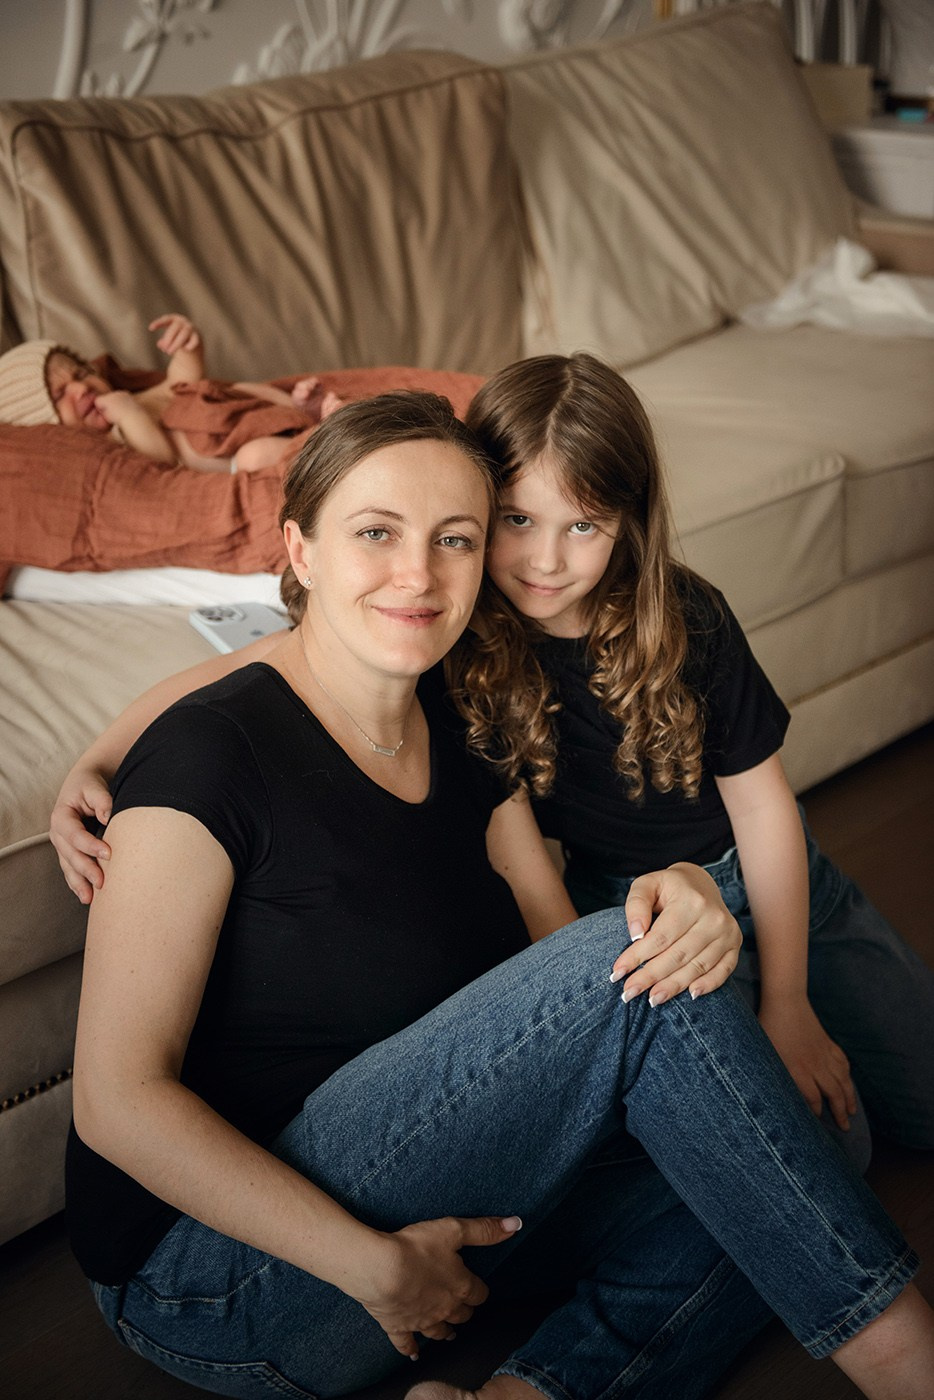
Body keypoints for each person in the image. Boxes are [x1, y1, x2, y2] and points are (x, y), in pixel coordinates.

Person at [54, 391, 934, 1400]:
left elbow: (586, 998)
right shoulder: (209, 758)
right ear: (299, 551)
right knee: (669, 1030)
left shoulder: (465, 713)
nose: (418, 573)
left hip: (434, 1197)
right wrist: (367, 1263)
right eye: (375, 532)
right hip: (224, 1278)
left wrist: (684, 894)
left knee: (792, 1148)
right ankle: (909, 1365)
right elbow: (115, 1103)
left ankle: (534, 1392)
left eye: (456, 538)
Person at [444, 350, 934, 1161]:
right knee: (841, 1151)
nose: (545, 561)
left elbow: (763, 805)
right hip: (636, 914)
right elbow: (528, 869)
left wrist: (789, 1001)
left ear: (625, 522)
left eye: (582, 527)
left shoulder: (686, 615)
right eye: (516, 519)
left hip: (775, 878)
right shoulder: (469, 657)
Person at [0, 314, 342, 473]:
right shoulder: (112, 439)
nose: (80, 387)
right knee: (258, 455)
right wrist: (129, 415)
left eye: (81, 372)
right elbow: (160, 458)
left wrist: (187, 347)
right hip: (233, 458)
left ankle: (301, 412)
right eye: (61, 393)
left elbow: (181, 384)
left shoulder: (136, 399)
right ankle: (328, 443)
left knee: (240, 390)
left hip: (240, 421)